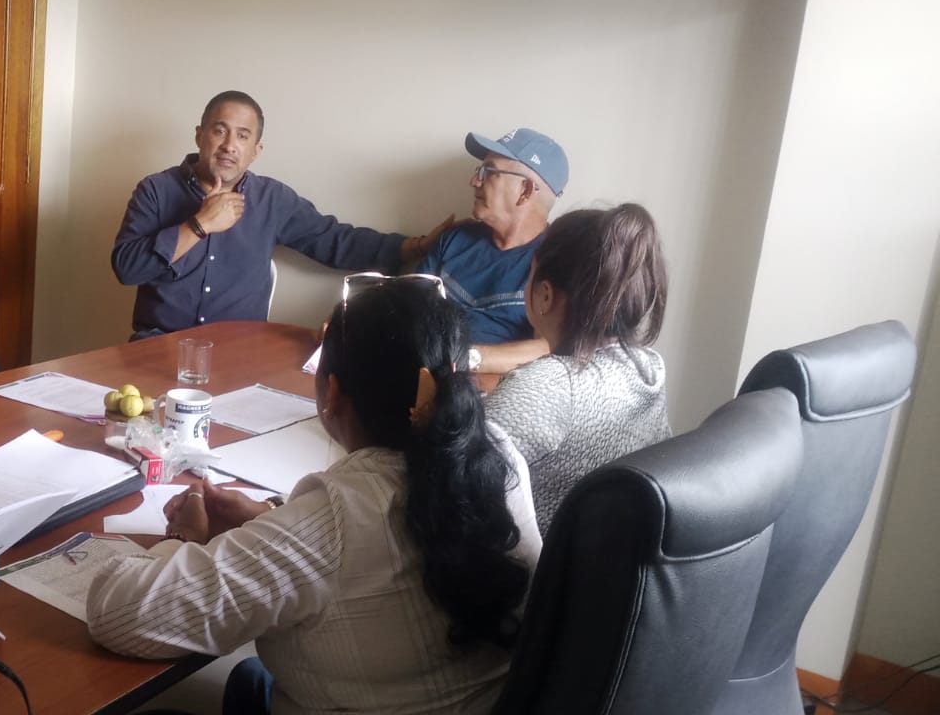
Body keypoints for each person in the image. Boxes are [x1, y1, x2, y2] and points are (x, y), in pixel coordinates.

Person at [87, 277, 542, 714]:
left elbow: (118, 614)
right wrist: (271, 516)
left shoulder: (334, 518)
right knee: (249, 680)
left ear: (332, 392)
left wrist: (185, 539)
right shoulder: (498, 455)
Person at [111, 90, 439, 339]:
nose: (229, 145)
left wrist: (415, 247)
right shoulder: (155, 190)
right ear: (200, 135)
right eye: (220, 131)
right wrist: (199, 224)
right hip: (159, 345)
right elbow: (127, 269)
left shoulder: (272, 199)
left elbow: (334, 239)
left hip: (238, 353)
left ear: (256, 151)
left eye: (243, 136)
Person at [483, 203, 671, 536]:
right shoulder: (648, 368)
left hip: (531, 567)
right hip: (603, 560)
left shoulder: (550, 387)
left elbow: (450, 479)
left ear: (544, 296)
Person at [417, 127, 569, 375]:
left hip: (490, 391)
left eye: (488, 172)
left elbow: (550, 346)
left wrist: (467, 358)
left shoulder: (558, 264)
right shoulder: (453, 239)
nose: (474, 181)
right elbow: (410, 305)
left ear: (525, 191)